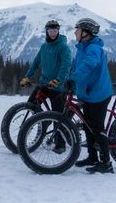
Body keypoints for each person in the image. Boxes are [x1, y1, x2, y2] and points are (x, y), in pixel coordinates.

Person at [20, 20, 72, 153]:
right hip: (45, 84)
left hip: (58, 87)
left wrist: (58, 80)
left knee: (57, 116)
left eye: (55, 30)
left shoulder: (63, 47)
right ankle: (43, 121)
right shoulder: (44, 47)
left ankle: (60, 144)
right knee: (31, 104)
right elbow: (36, 63)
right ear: (47, 31)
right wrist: (27, 76)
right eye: (50, 30)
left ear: (58, 31)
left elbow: (66, 65)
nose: (53, 32)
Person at [70, 18, 114, 173]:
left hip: (98, 94)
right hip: (88, 93)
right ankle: (92, 157)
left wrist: (73, 79)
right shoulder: (82, 47)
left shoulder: (93, 48)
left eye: (77, 29)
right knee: (88, 126)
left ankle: (106, 163)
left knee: (96, 126)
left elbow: (89, 64)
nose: (75, 32)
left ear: (85, 33)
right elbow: (76, 67)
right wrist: (67, 79)